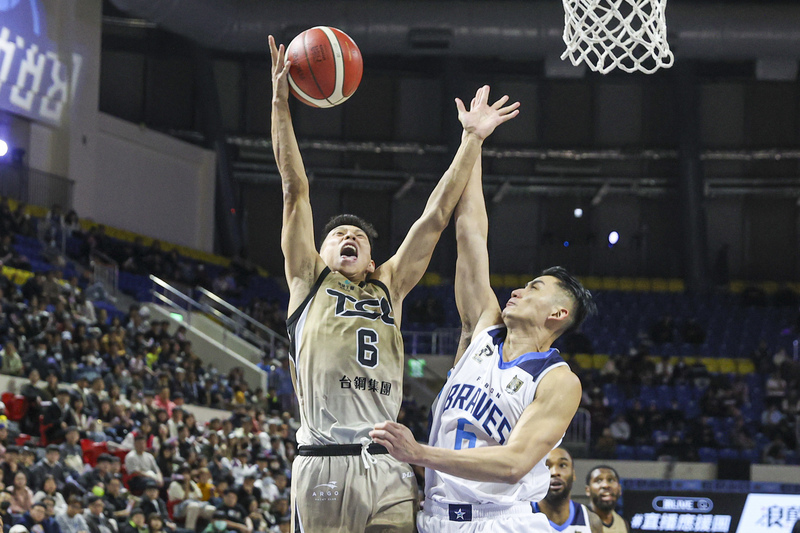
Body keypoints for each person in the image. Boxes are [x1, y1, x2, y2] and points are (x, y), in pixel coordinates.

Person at [269, 33, 519, 533]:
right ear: (317, 253)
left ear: (371, 260)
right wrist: (280, 106)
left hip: (389, 463)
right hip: (325, 460)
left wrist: (472, 140)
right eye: (337, 235)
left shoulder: (389, 286)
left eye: (358, 237)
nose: (348, 237)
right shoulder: (307, 279)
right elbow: (295, 189)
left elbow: (435, 216)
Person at [370, 139, 595, 531]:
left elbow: (512, 464)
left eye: (534, 288)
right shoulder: (484, 329)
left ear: (558, 314)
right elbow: (470, 233)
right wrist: (473, 139)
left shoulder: (558, 381)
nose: (518, 290)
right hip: (436, 518)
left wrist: (419, 453)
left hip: (500, 522)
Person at [532, 448, 602, 533]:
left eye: (562, 465)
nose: (554, 472)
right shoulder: (522, 518)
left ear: (573, 474)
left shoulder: (591, 521)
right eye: (546, 466)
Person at [585, 466, 629, 533]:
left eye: (610, 480)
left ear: (619, 489)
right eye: (598, 481)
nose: (605, 485)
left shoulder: (623, 523)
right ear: (588, 490)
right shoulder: (578, 519)